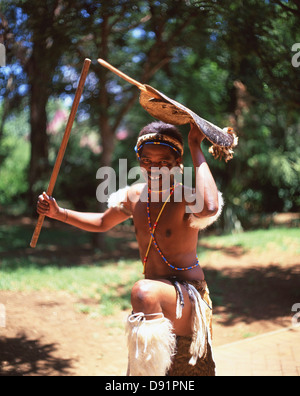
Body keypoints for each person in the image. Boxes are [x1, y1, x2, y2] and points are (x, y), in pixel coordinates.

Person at [37, 121, 223, 376]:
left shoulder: (185, 196)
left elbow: (211, 208)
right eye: (147, 161)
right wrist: (60, 213)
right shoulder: (135, 196)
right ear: (139, 161)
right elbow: (103, 222)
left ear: (177, 162)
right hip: (155, 301)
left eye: (163, 162)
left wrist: (194, 145)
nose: (154, 168)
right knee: (147, 304)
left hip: (188, 298)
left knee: (143, 292)